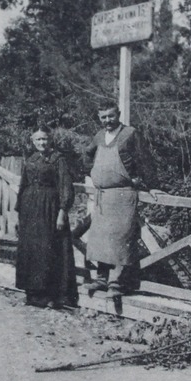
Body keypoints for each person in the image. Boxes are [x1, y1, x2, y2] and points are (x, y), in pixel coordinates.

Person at [83, 103, 155, 303]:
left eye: (111, 116)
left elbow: (145, 160)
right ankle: (101, 279)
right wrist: (94, 173)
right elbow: (88, 156)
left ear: (119, 115)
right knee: (101, 238)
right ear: (99, 118)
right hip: (103, 196)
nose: (108, 121)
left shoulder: (130, 134)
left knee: (121, 240)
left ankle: (117, 283)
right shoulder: (98, 136)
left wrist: (148, 183)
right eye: (103, 117)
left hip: (123, 196)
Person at [15, 128, 78, 309]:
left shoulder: (58, 160)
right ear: (33, 141)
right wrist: (18, 212)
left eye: (45, 139)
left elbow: (66, 187)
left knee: (48, 249)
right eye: (38, 140)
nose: (42, 143)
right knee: (31, 250)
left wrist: (62, 212)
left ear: (50, 140)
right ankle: (33, 294)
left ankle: (51, 295)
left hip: (49, 209)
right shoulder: (31, 159)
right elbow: (22, 186)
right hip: (29, 210)